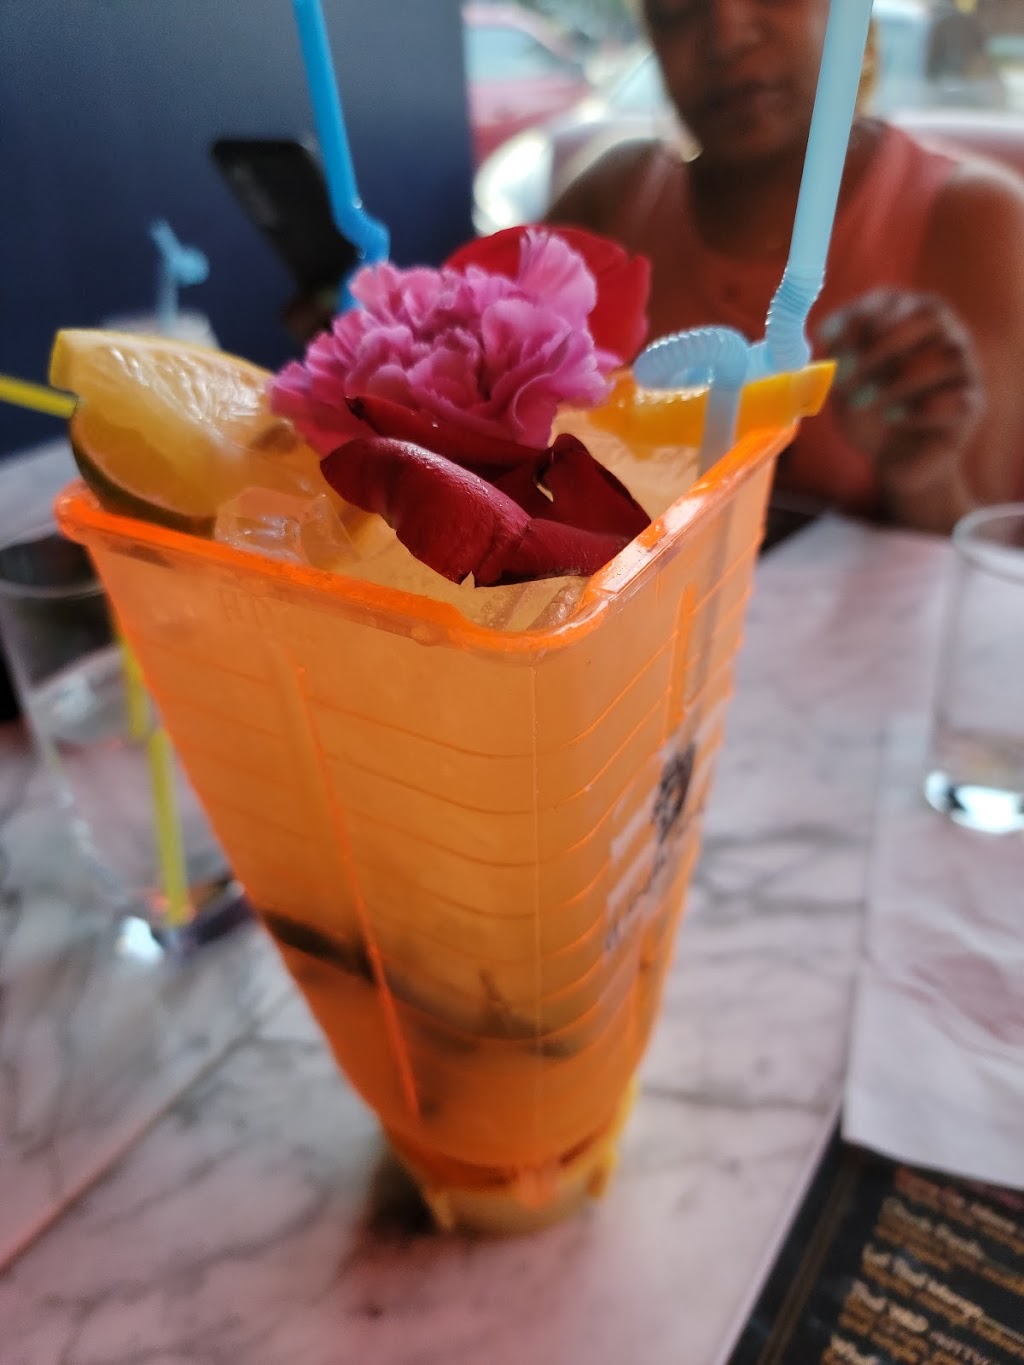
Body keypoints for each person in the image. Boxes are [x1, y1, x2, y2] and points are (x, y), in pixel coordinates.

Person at [545, 0, 1024, 534]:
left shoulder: (975, 219)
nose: (727, 36)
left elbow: (987, 550)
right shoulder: (606, 203)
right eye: (678, 6)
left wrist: (923, 479)